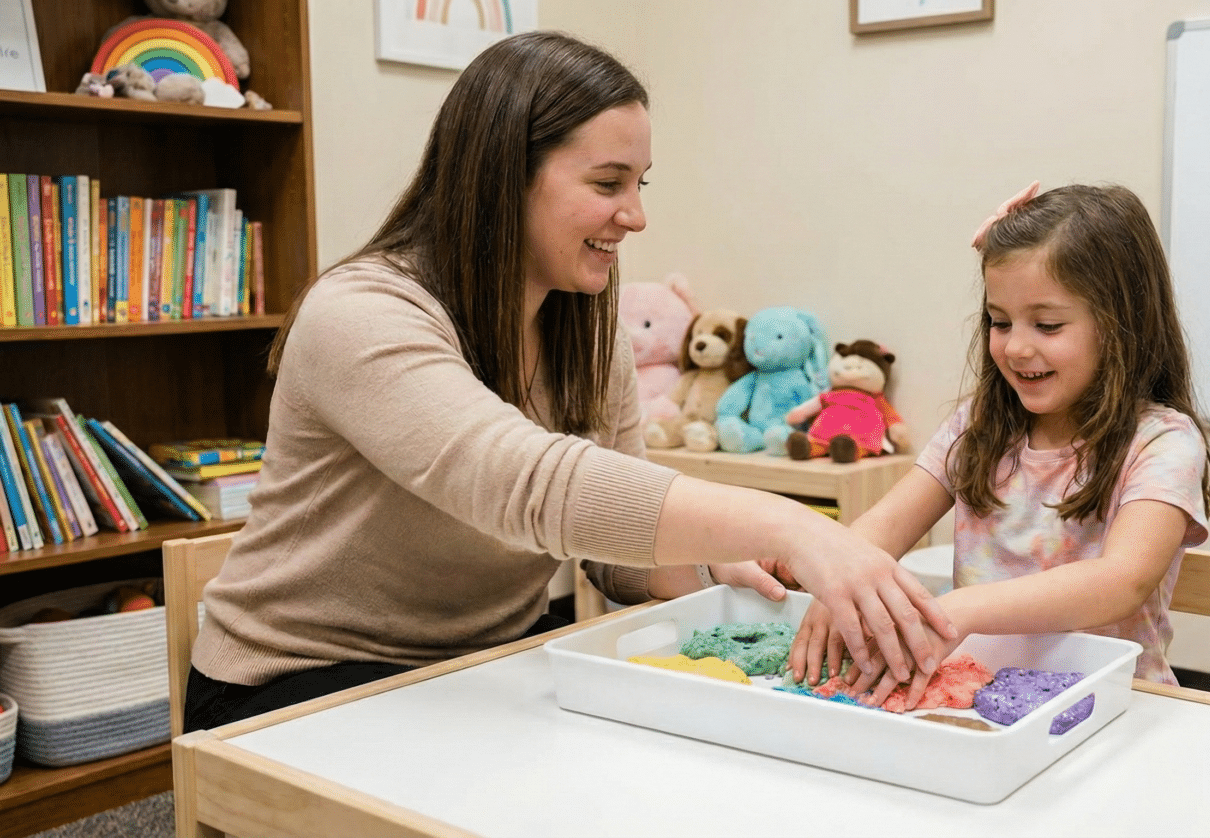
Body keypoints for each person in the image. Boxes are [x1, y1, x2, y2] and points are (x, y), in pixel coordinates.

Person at [184, 31, 951, 733]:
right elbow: (522, 482)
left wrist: (714, 564)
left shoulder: (583, 322)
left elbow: (609, 547)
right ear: (501, 178)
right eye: (609, 182)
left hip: (487, 662)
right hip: (299, 681)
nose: (636, 216)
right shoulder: (359, 313)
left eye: (641, 182)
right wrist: (790, 525)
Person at [789, 182, 1210, 708]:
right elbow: (886, 524)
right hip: (978, 698)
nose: (1016, 346)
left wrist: (964, 608)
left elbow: (1122, 580)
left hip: (1113, 707)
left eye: (1047, 324)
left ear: (1121, 323)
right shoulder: (980, 426)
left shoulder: (1162, 441)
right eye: (999, 321)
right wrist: (842, 575)